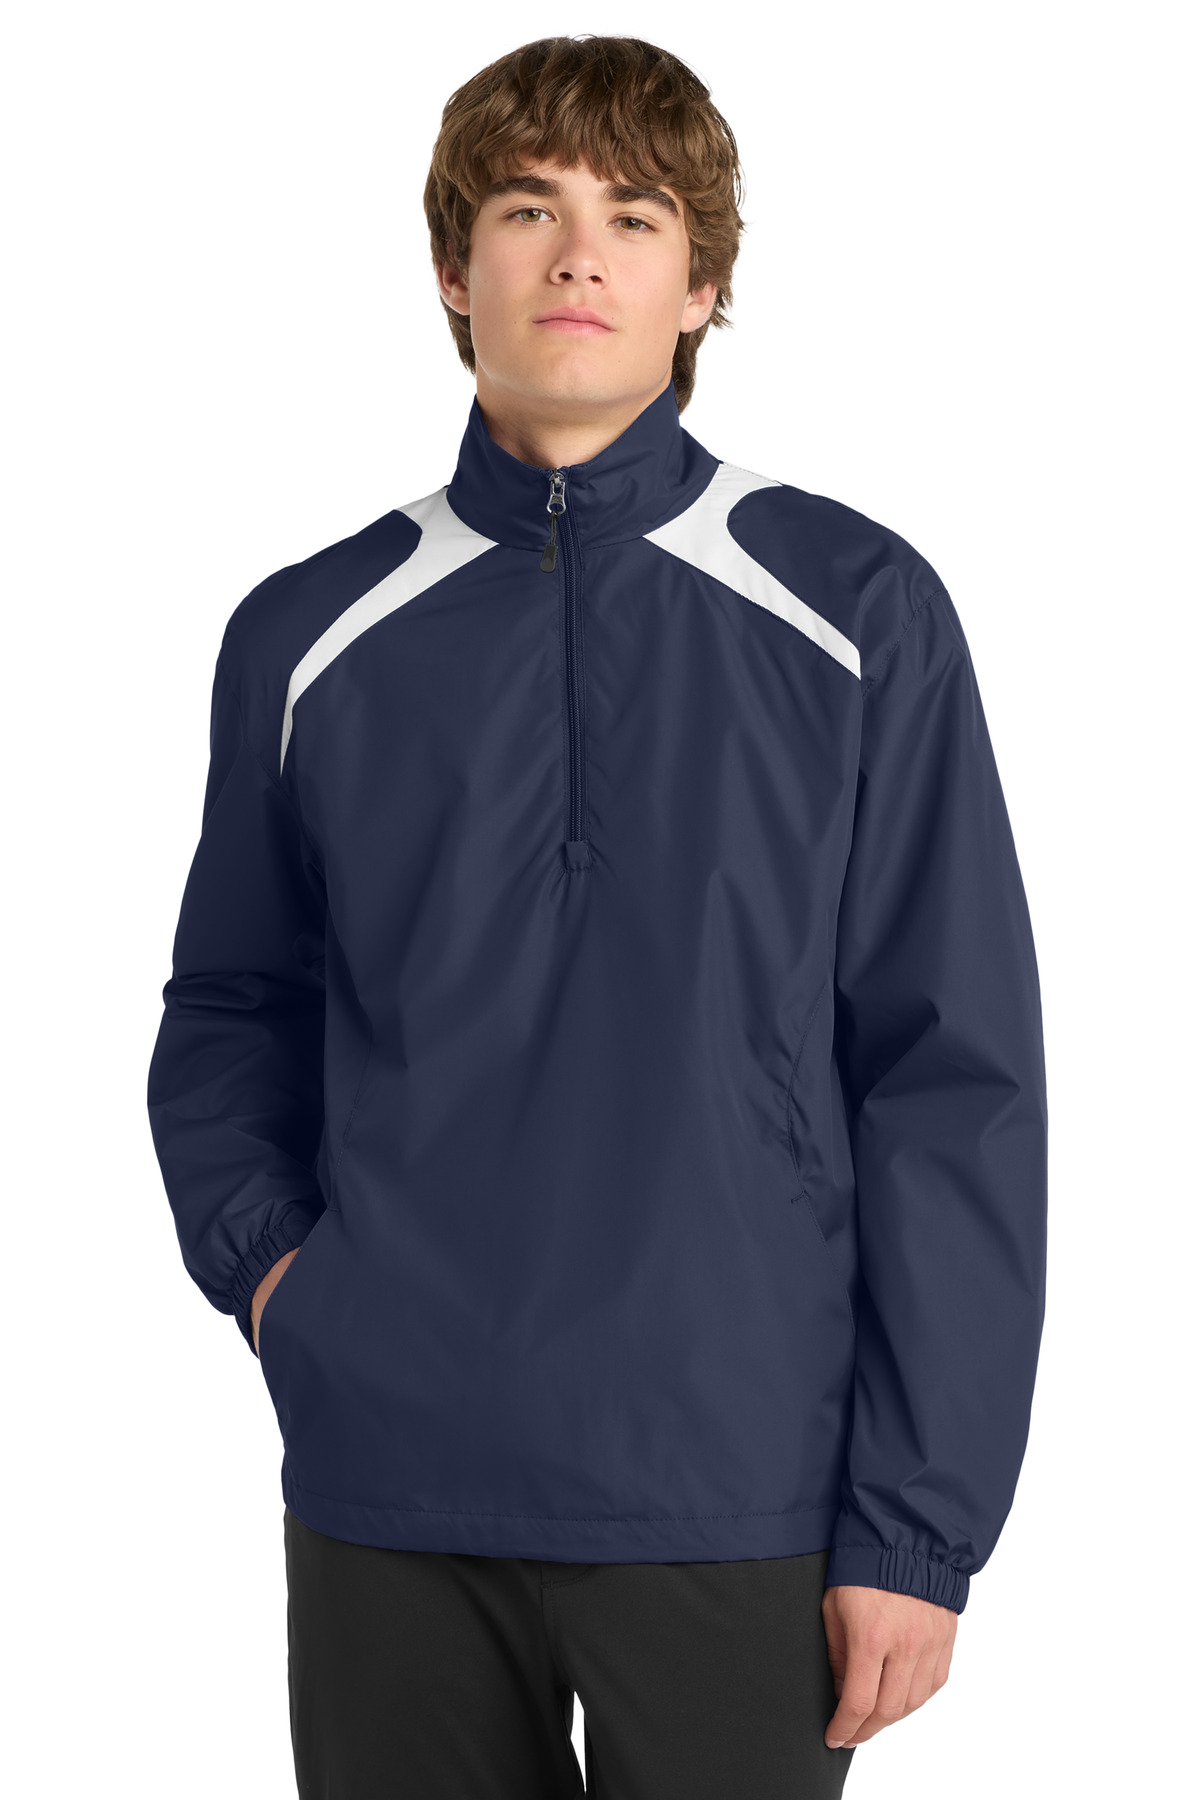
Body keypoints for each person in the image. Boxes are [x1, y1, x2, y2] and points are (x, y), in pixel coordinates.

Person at [147, 33, 1048, 1800]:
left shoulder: (858, 610)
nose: (577, 255)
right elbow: (233, 1005)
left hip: (743, 1489)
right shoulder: (307, 632)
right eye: (526, 209)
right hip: (390, 1487)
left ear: (700, 285)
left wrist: (918, 1523)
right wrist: (281, 1285)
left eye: (634, 217)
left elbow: (953, 1079)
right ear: (451, 267)